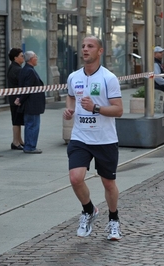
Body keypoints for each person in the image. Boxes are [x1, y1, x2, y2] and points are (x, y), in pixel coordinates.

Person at [63, 36, 123, 241]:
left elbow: (118, 110)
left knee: (108, 183)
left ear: (100, 51)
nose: (85, 49)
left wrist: (95, 107)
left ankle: (113, 219)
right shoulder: (73, 77)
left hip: (105, 139)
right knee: (75, 178)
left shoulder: (109, 78)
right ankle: (89, 210)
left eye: (90, 46)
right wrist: (70, 109)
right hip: (80, 137)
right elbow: (71, 95)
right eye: (83, 46)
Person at [15, 51, 46, 154]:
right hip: (32, 104)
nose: (37, 58)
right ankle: (30, 146)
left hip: (30, 104)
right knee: (32, 125)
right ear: (31, 59)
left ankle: (29, 145)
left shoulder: (26, 70)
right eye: (35, 57)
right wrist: (21, 100)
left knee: (30, 125)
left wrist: (20, 99)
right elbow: (27, 89)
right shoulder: (29, 71)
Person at [7, 48, 25, 150]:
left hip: (13, 98)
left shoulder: (12, 67)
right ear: (15, 58)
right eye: (21, 56)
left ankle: (19, 140)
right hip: (16, 99)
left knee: (17, 120)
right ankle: (15, 142)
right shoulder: (17, 70)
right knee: (16, 121)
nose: (23, 58)